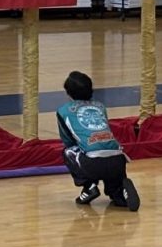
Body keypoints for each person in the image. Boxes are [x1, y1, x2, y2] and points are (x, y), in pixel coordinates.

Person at [57, 70, 140, 210]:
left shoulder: (63, 110)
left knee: (68, 151)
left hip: (92, 163)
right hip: (117, 160)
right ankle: (119, 192)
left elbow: (68, 140)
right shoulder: (100, 106)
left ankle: (89, 186)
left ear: (68, 93)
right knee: (115, 188)